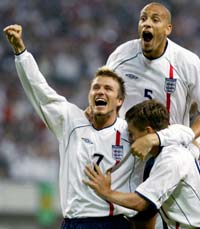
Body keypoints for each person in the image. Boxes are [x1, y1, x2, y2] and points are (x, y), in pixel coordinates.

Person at [3, 24, 197, 229]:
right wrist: (21, 53)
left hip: (114, 223)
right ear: (89, 95)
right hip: (72, 223)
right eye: (96, 87)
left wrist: (153, 139)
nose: (100, 92)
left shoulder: (129, 132)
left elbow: (182, 132)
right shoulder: (70, 120)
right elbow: (40, 89)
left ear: (120, 100)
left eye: (108, 88)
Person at [83, 99, 200, 229]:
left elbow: (140, 203)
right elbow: (183, 132)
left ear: (148, 132)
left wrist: (106, 192)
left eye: (132, 134)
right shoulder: (175, 138)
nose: (130, 140)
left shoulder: (171, 160)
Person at [106, 2, 200, 158]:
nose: (147, 23)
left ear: (168, 28)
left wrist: (188, 136)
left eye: (155, 20)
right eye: (143, 19)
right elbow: (104, 91)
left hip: (168, 152)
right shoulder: (121, 55)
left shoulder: (187, 62)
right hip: (125, 150)